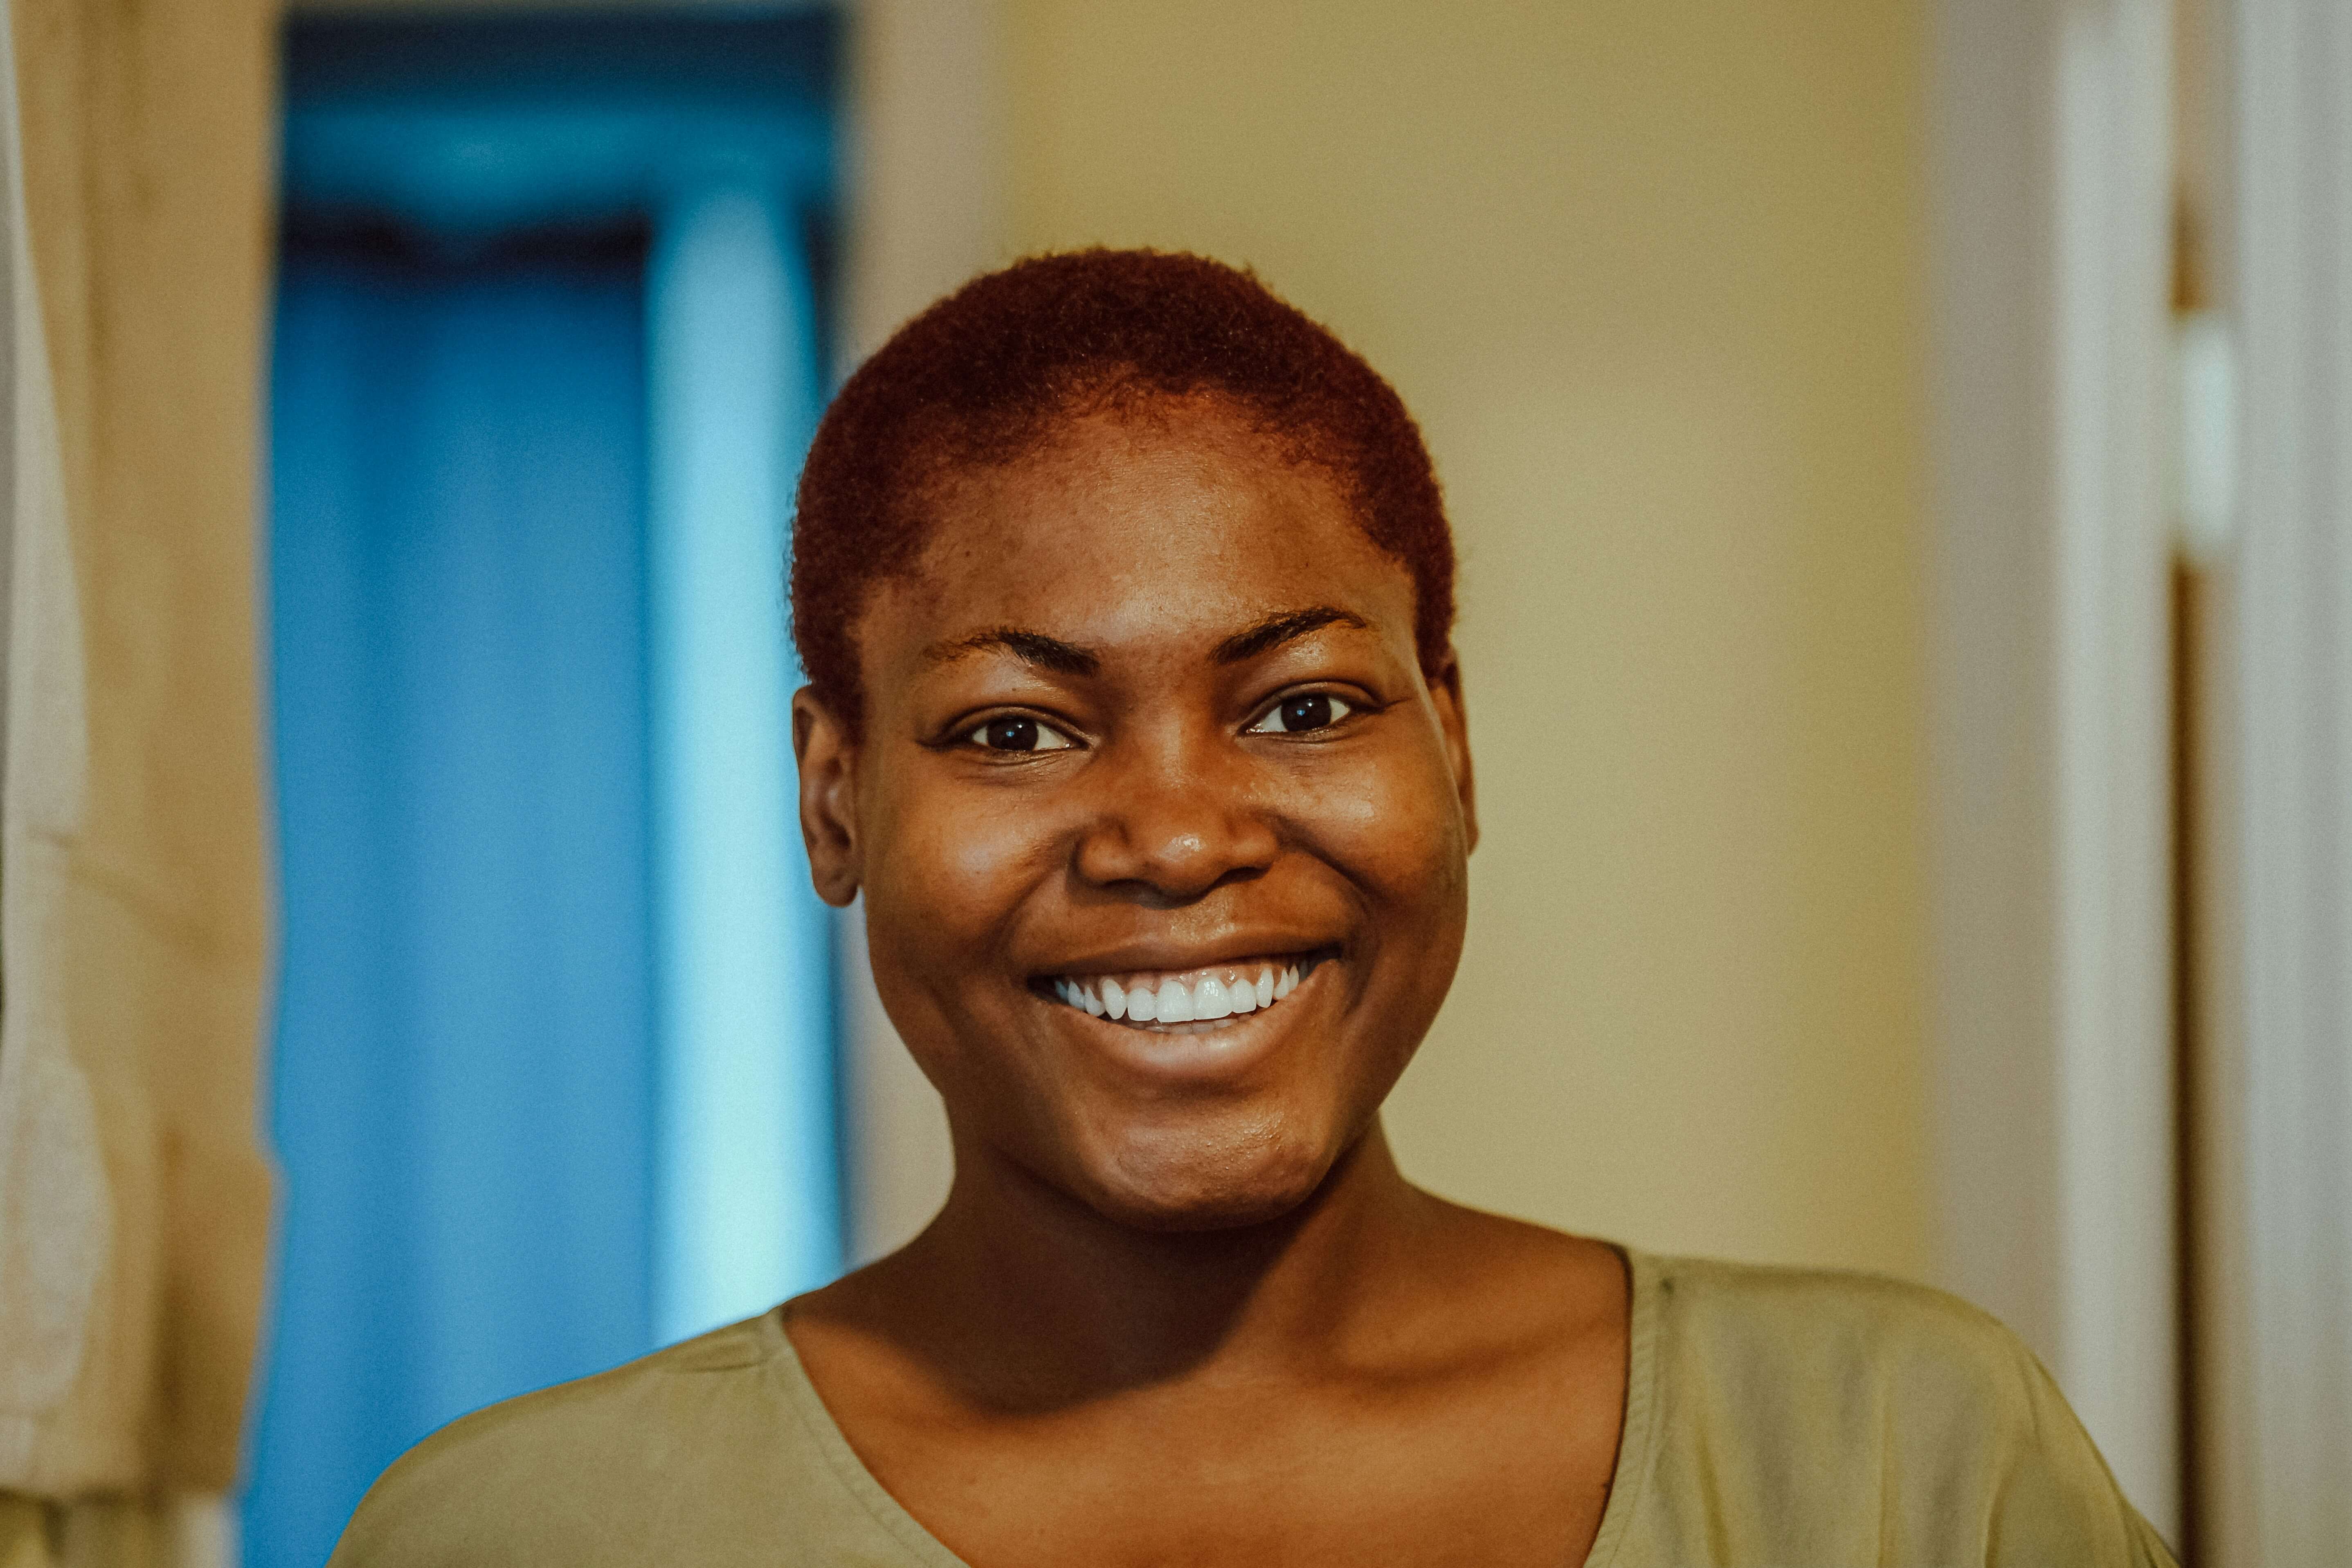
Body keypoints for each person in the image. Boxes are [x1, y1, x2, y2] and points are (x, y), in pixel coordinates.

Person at [330, 250, 2175, 1567]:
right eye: (1013, 726)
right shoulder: (527, 1532)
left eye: (1301, 706)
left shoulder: (1896, 1463)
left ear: (1448, 745)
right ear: (836, 796)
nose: (1177, 832)